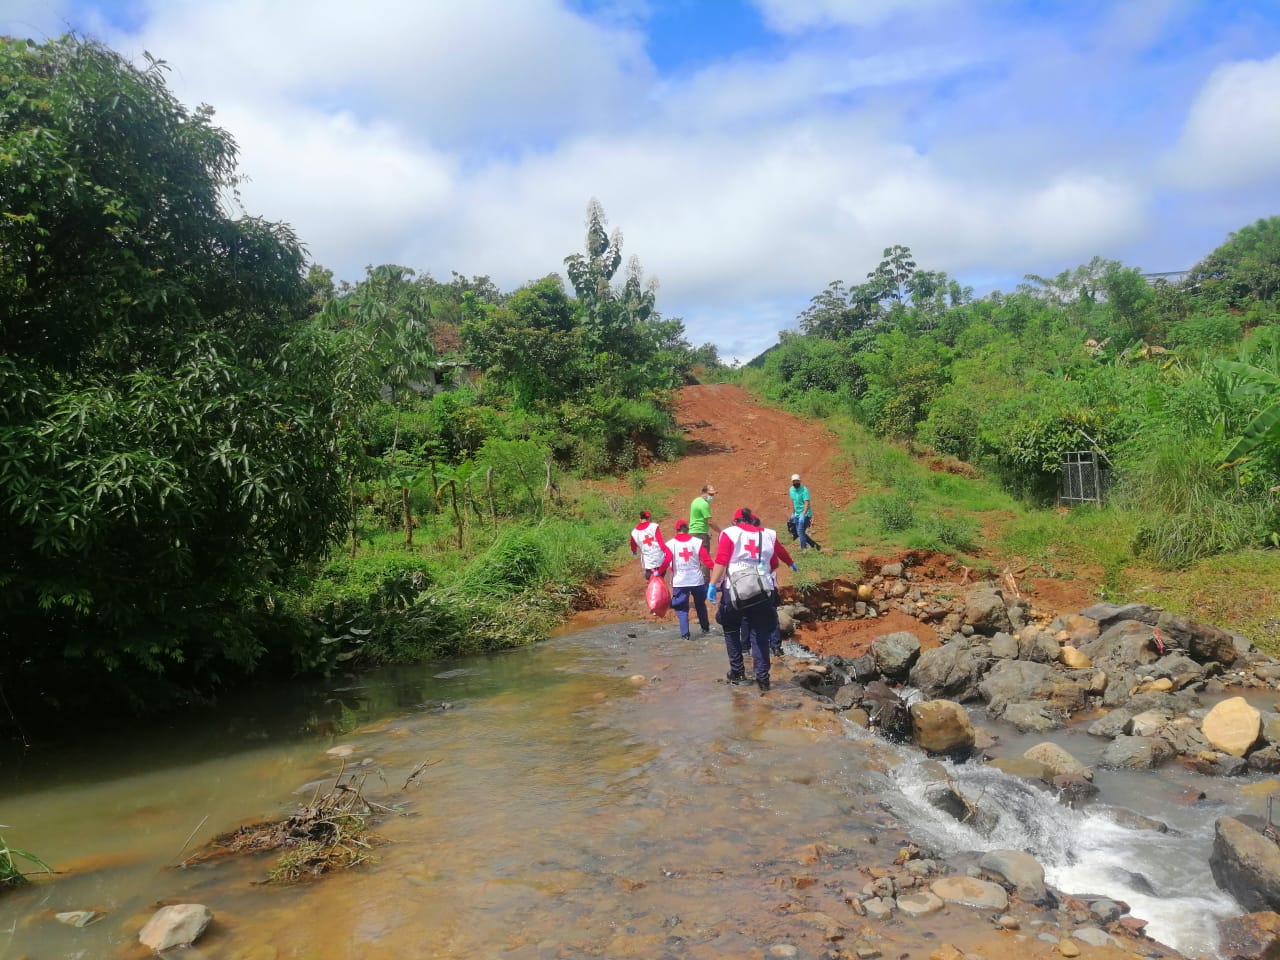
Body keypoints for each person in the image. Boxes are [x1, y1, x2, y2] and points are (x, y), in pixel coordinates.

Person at [706, 507, 796, 692]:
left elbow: (721, 560)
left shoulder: (729, 533)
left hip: (735, 590)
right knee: (760, 631)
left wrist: (712, 584)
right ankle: (763, 679)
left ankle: (738, 672)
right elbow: (774, 563)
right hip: (762, 590)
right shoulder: (768, 534)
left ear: (735, 521)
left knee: (731, 627)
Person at [664, 520, 713, 640]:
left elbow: (667, 561)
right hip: (697, 580)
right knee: (700, 604)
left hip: (680, 581)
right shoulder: (697, 542)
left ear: (676, 530)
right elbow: (706, 560)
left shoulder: (670, 544)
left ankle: (685, 635)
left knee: (681, 608)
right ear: (687, 529)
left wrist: (658, 573)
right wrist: (718, 571)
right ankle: (706, 629)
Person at [629, 510, 672, 581]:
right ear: (649, 518)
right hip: (659, 558)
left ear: (639, 518)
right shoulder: (654, 526)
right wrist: (667, 552)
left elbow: (633, 545)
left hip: (648, 561)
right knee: (661, 577)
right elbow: (661, 542)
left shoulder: (634, 532)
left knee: (650, 577)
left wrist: (634, 551)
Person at [788, 473, 818, 551]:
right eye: (794, 481)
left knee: (800, 531)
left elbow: (807, 503)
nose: (795, 483)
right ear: (792, 482)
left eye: (797, 481)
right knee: (799, 532)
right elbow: (793, 502)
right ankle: (815, 545)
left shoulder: (804, 490)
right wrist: (793, 513)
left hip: (806, 514)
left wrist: (803, 514)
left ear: (800, 481)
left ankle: (804, 549)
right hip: (797, 514)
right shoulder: (791, 490)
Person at [688, 484, 719, 553]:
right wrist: (720, 532)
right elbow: (710, 522)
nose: (712, 496)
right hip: (700, 534)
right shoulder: (704, 504)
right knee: (704, 557)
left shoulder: (695, 501)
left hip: (692, 533)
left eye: (713, 495)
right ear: (703, 492)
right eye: (710, 494)